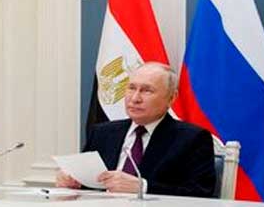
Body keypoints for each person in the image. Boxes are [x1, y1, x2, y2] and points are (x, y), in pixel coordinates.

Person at [56, 62, 216, 197]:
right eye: (131, 88)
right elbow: (90, 183)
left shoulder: (192, 139)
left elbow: (200, 193)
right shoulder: (102, 133)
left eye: (147, 91)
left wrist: (143, 187)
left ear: (171, 98)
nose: (135, 98)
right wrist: (72, 181)